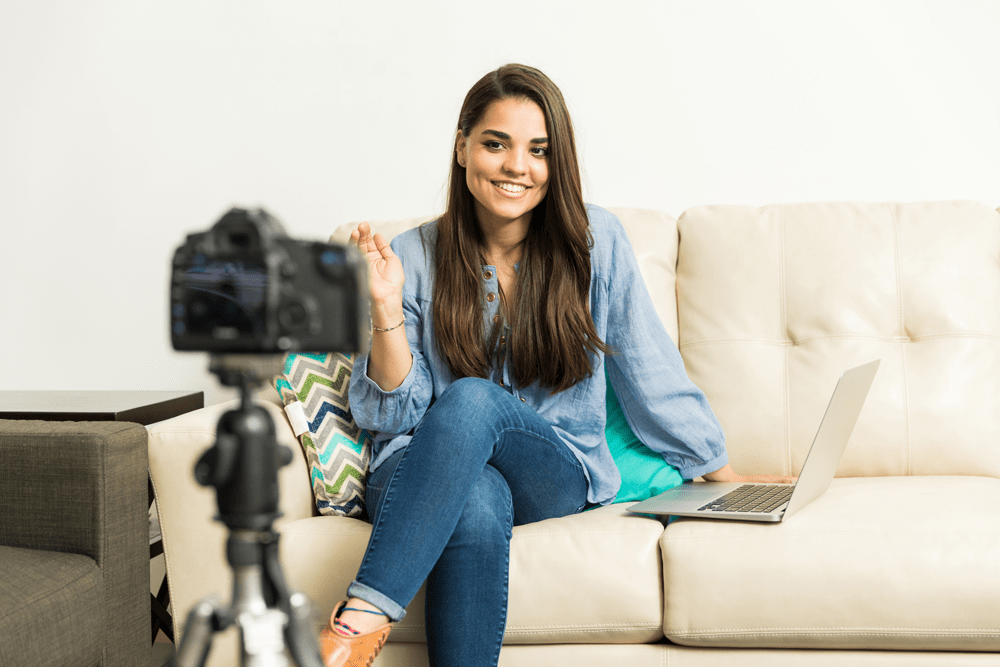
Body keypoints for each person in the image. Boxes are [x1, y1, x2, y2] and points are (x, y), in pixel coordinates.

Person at [319, 63, 791, 667]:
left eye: (538, 151)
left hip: (552, 467)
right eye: (496, 144)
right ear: (462, 149)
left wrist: (726, 479)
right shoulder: (410, 255)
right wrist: (384, 306)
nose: (518, 166)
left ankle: (358, 621)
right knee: (478, 497)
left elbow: (652, 374)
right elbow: (391, 413)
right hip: (416, 465)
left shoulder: (596, 241)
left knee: (471, 398)